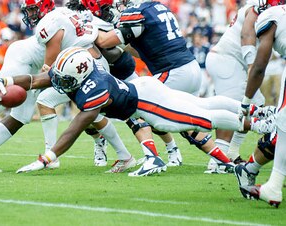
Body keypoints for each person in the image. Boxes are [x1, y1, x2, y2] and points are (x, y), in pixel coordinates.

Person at [0, 47, 275, 176]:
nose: (59, 83)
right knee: (202, 106)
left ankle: (259, 123)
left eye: (64, 79)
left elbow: (76, 127)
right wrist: (7, 80)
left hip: (148, 104)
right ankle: (256, 111)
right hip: (145, 89)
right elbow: (39, 80)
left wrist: (46, 158)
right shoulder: (78, 74)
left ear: (79, 74)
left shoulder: (94, 88)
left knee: (202, 119)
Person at [87, 0, 234, 172]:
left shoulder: (137, 12)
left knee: (138, 106)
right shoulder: (158, 7)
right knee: (189, 121)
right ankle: (224, 161)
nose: (120, 6)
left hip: (173, 71)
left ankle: (152, 158)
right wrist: (121, 47)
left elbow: (104, 41)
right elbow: (147, 46)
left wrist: (88, 27)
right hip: (189, 67)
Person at [21, 0, 136, 171]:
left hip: (85, 68)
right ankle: (121, 154)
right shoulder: (62, 12)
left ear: (43, 6)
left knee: (50, 101)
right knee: (93, 114)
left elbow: (49, 67)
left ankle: (51, 156)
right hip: (90, 63)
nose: (29, 15)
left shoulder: (48, 24)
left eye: (32, 9)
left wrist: (34, 79)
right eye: (28, 10)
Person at [205, 0, 274, 172]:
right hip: (226, 60)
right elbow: (246, 34)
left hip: (233, 62)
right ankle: (217, 161)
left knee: (255, 104)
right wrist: (251, 64)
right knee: (234, 108)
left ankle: (231, 153)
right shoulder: (258, 6)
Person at [235, 4, 286, 208]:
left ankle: (273, 186)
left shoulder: (272, 15)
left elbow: (258, 67)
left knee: (282, 121)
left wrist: (246, 102)